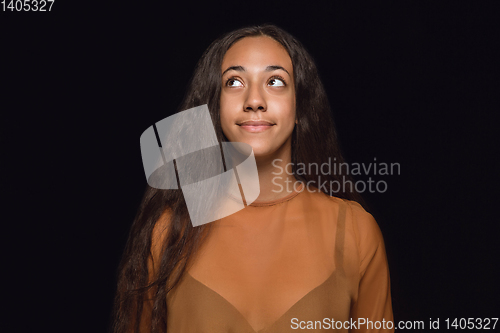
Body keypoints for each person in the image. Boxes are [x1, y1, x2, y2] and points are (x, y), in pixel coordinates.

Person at [111, 24, 394, 333]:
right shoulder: (169, 232)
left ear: (300, 106)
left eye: (275, 81)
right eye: (234, 81)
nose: (254, 100)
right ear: (215, 107)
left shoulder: (356, 232)